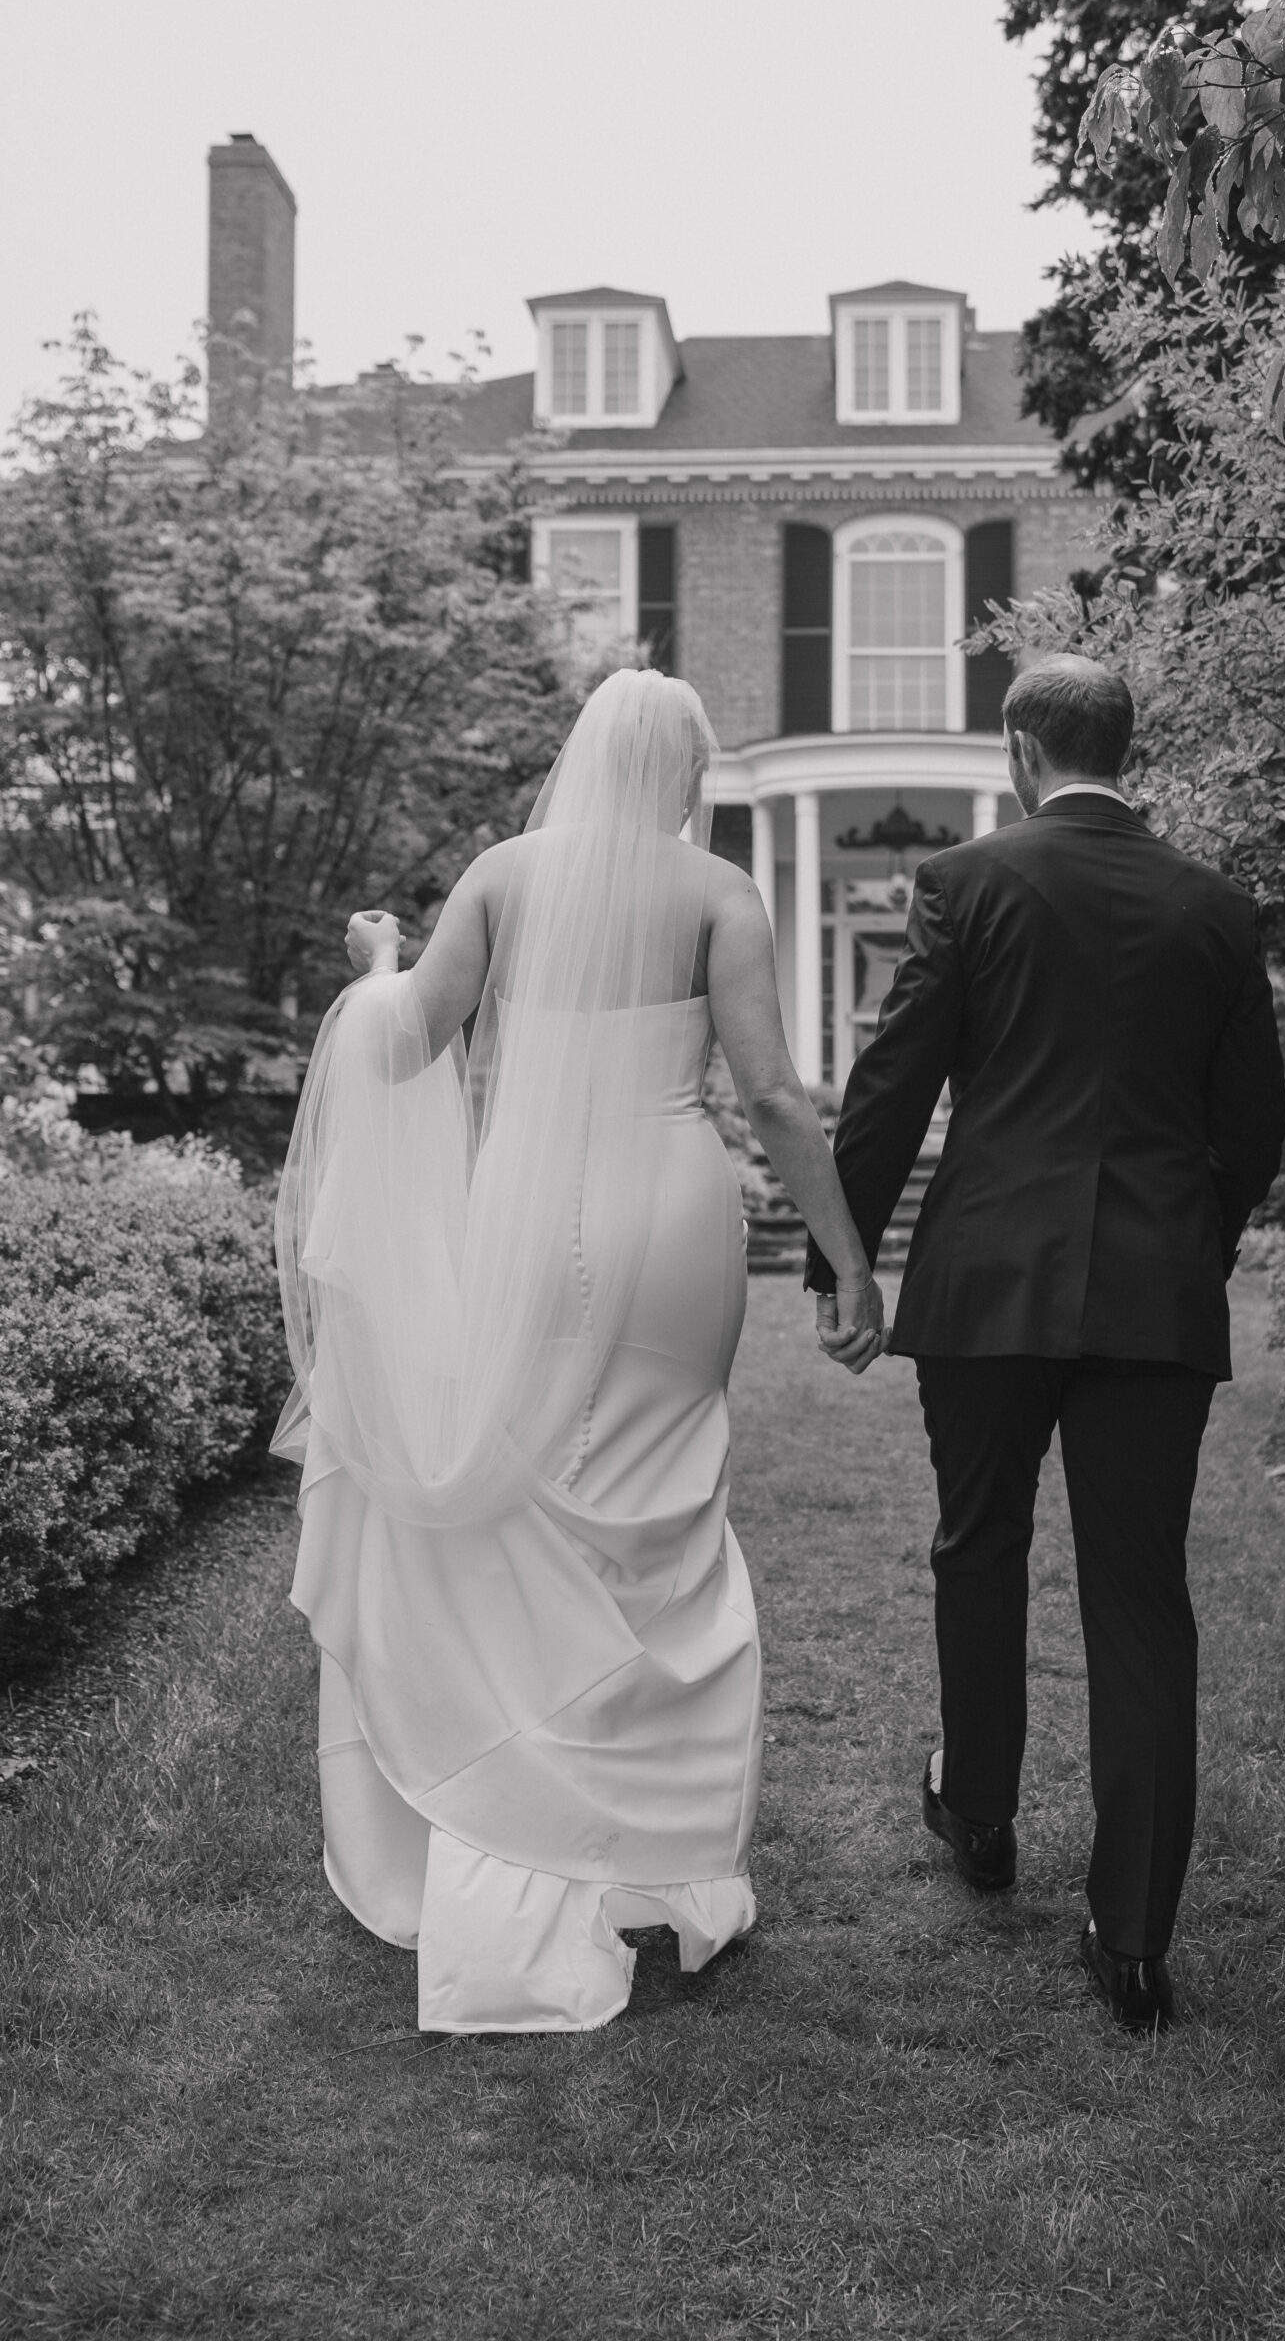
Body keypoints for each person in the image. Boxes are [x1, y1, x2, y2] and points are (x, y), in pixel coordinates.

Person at [275, 668, 883, 2034]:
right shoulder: (720, 893)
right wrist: (850, 1255)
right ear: (683, 773)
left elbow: (405, 1046)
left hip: (528, 1218)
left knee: (536, 1482)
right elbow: (776, 1095)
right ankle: (645, 1854)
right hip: (670, 1212)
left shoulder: (499, 874)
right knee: (664, 1498)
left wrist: (377, 966)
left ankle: (529, 1800)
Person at [807, 654, 1285, 2034]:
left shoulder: (969, 884)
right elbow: (1255, 1128)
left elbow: (894, 1083)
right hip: (1154, 1294)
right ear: (1123, 749)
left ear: (1023, 751)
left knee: (979, 1544)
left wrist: (840, 1265)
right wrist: (1200, 1243)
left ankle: (979, 1816)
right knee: (1142, 1600)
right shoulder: (1215, 907)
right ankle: (1133, 1940)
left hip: (986, 1285)